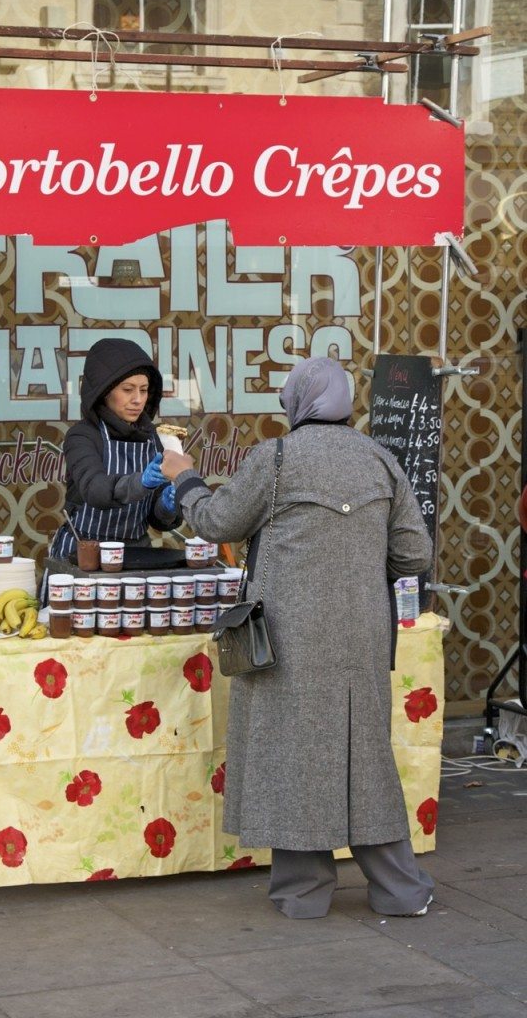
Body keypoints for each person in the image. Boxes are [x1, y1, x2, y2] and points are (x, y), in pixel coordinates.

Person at [161, 356, 435, 919]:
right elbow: (414, 554)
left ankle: (302, 895)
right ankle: (400, 889)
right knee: (365, 761)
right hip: (361, 636)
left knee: (295, 758)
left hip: (288, 638)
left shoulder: (278, 458)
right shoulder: (381, 460)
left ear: (297, 401)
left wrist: (183, 478)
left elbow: (216, 523)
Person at [49, 338, 181, 561]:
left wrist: (167, 506)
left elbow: (156, 521)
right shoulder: (82, 436)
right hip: (84, 553)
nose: (137, 400)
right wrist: (141, 482)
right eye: (128, 389)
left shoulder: (152, 438)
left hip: (136, 553)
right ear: (104, 391)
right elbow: (95, 489)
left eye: (144, 390)